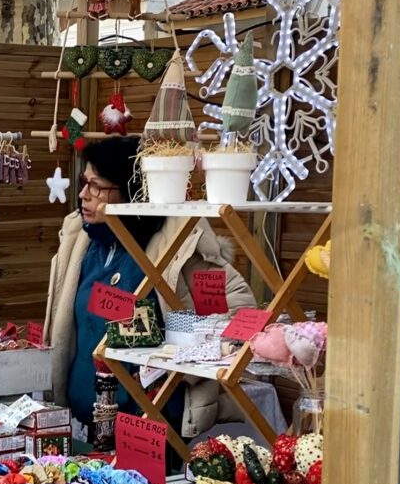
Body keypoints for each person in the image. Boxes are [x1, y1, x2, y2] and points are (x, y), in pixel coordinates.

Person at [44, 137, 255, 442]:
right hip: (84, 421)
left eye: (97, 186)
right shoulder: (82, 243)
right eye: (83, 183)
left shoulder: (176, 248)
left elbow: (238, 309)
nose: (83, 195)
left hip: (149, 421)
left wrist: (179, 346)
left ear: (130, 191)